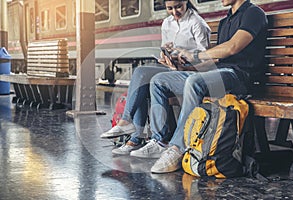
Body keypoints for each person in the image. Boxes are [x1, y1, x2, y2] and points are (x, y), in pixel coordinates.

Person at [148, 0, 268, 173]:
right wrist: (185, 67)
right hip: (218, 73)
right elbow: (216, 60)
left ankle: (177, 148)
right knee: (159, 80)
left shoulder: (253, 13)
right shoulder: (225, 21)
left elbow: (232, 47)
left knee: (194, 82)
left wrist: (195, 55)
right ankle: (161, 141)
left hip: (241, 76)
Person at [100, 0, 211, 156]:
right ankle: (132, 131)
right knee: (140, 73)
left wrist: (184, 61)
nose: (174, 12)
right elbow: (165, 47)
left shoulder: (196, 23)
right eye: (169, 8)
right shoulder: (167, 23)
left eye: (178, 7)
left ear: (186, 2)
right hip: (172, 68)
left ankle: (136, 134)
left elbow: (206, 59)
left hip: (190, 71)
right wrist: (166, 57)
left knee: (147, 79)